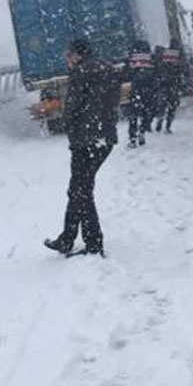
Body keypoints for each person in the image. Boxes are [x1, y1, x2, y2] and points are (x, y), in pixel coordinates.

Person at [44, 39, 119, 257]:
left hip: (86, 140)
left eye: (68, 55)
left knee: (81, 192)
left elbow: (73, 106)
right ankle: (67, 238)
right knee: (79, 189)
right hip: (104, 138)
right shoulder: (107, 68)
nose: (66, 60)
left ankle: (93, 244)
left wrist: (68, 124)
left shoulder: (80, 72)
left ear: (77, 55)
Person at [126, 39, 157, 147]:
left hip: (136, 89)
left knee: (133, 115)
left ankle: (132, 139)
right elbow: (157, 74)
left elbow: (127, 74)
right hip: (149, 90)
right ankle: (142, 131)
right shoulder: (152, 58)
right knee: (145, 113)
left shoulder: (132, 59)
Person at [153, 45, 183, 133]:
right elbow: (181, 70)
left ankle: (160, 119)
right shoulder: (178, 55)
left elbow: (157, 67)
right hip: (174, 85)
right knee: (172, 107)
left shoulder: (162, 54)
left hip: (163, 84)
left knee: (162, 105)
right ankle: (168, 126)